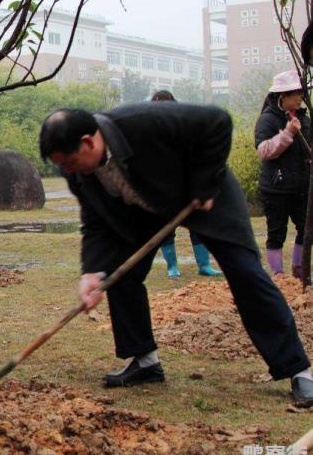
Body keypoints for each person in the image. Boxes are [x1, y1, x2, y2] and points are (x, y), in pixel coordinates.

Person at [39, 103, 313, 407]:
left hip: (203, 195)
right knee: (119, 273)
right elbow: (95, 219)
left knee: (246, 273)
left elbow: (218, 121)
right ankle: (145, 362)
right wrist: (91, 270)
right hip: (144, 209)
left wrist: (204, 183)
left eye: (70, 161)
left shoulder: (141, 122)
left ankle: (298, 371)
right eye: (61, 165)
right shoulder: (79, 172)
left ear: (88, 142)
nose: (68, 171)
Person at [149, 90, 221, 278]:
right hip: (163, 187)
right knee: (166, 228)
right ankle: (172, 267)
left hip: (186, 185)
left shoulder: (184, 126)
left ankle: (204, 265)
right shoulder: (149, 130)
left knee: (198, 225)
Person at [255, 71, 310, 280]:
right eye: (295, 94)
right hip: (276, 188)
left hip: (301, 186)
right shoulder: (267, 120)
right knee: (277, 233)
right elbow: (264, 151)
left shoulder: (304, 120)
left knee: (306, 230)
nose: (299, 98)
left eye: (301, 94)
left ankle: (300, 272)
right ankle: (279, 276)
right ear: (283, 96)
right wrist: (287, 135)